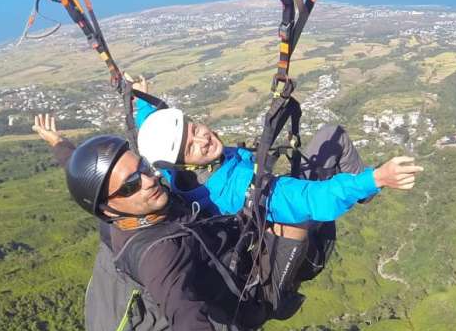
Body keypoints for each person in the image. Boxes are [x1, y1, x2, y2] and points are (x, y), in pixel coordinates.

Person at [35, 122, 273, 331]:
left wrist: (57, 141)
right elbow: (186, 318)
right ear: (108, 210)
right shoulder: (158, 256)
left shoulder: (114, 201)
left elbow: (76, 167)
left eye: (143, 167)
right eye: (132, 184)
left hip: (155, 279)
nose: (151, 180)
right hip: (151, 315)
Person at [127, 80, 422, 307]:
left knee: (326, 143)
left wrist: (139, 101)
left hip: (263, 234)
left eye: (194, 128)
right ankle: (365, 197)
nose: (203, 138)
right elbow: (310, 198)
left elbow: (157, 143)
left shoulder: (175, 177)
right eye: (191, 146)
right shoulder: (241, 189)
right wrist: (375, 179)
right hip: (301, 250)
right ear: (184, 161)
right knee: (334, 136)